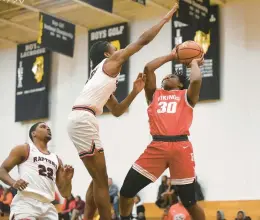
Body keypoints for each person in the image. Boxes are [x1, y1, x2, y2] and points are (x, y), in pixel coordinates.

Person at [67, 3, 179, 220]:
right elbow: (142, 41)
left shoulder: (99, 76)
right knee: (102, 179)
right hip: (83, 118)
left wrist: (136, 91)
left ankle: (87, 217)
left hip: (80, 118)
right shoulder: (110, 63)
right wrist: (165, 19)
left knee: (96, 178)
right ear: (108, 53)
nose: (118, 51)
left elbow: (117, 110)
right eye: (114, 48)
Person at [119, 48, 206, 220]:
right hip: (157, 146)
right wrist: (171, 56)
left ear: (180, 84)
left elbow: (196, 79)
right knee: (126, 191)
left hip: (181, 147)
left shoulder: (186, 96)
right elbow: (149, 68)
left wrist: (194, 61)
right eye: (165, 77)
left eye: (172, 76)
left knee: (189, 202)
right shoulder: (154, 95)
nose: (166, 77)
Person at [0, 122, 74, 219]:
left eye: (48, 127)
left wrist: (68, 181)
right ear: (33, 133)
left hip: (48, 206)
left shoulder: (57, 160)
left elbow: (66, 194)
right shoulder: (24, 149)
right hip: (26, 203)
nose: (48, 129)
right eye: (43, 127)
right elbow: (2, 170)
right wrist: (13, 182)